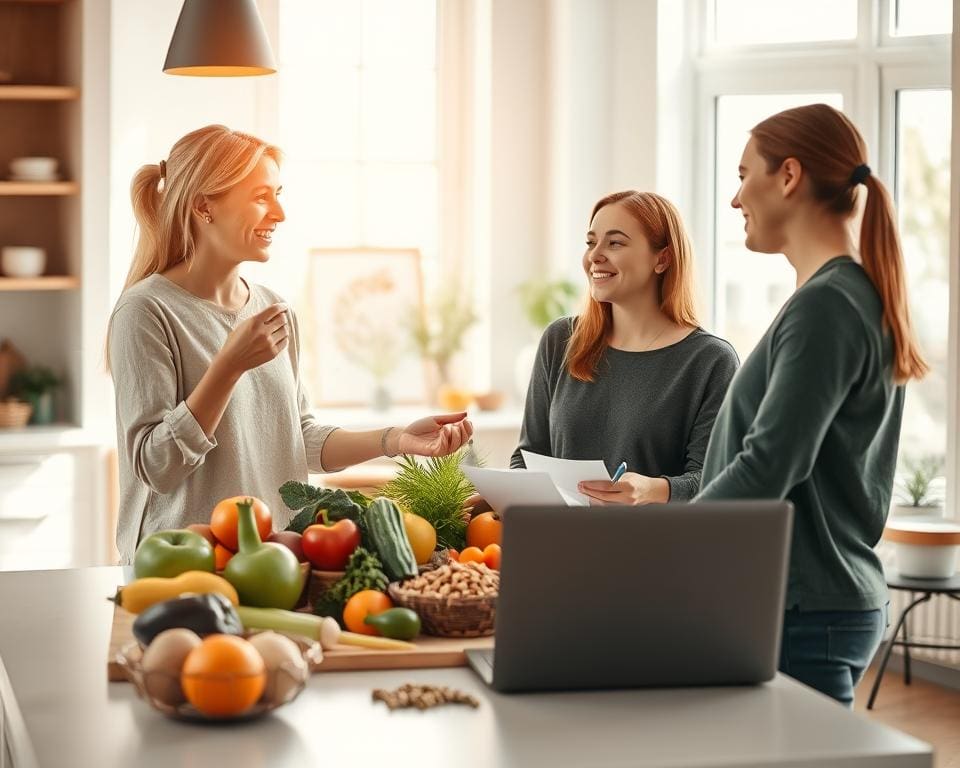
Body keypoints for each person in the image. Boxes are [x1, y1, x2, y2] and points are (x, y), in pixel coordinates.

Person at [107, 125, 472, 562]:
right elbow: (155, 465)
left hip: (273, 561)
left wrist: (396, 439)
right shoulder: (145, 311)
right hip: (182, 565)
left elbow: (296, 437)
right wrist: (228, 366)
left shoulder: (273, 308)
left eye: (278, 193)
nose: (279, 213)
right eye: (261, 196)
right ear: (204, 206)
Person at [696, 104, 928, 707]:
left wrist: (666, 541)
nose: (735, 198)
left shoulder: (827, 305)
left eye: (745, 174)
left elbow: (769, 463)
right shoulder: (841, 295)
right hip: (811, 599)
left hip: (803, 604)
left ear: (789, 177)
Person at [513, 190, 739, 504]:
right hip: (562, 543)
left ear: (663, 258)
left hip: (656, 548)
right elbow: (527, 458)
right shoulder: (560, 340)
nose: (595, 256)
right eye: (591, 242)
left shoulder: (710, 361)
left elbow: (713, 482)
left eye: (615, 243)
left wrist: (651, 490)